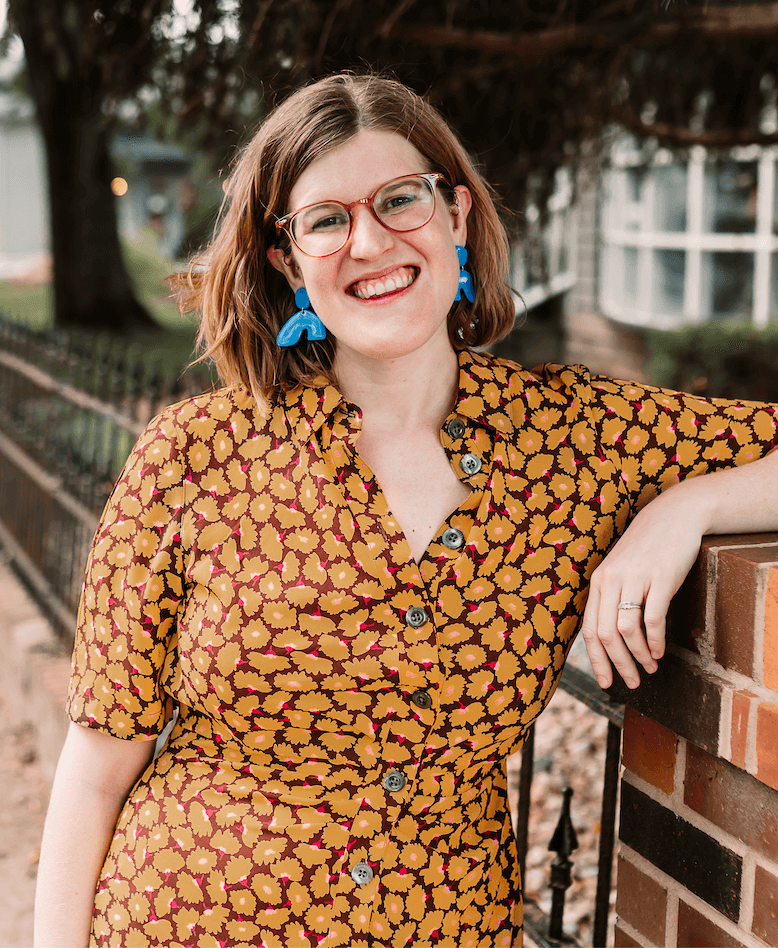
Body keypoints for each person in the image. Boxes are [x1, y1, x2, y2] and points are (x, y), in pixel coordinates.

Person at [35, 73, 778, 948]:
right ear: (288, 261)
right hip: (189, 921)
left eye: (400, 200)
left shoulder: (575, 440)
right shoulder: (194, 454)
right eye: (326, 219)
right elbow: (93, 771)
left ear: (455, 215)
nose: (369, 241)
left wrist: (681, 510)